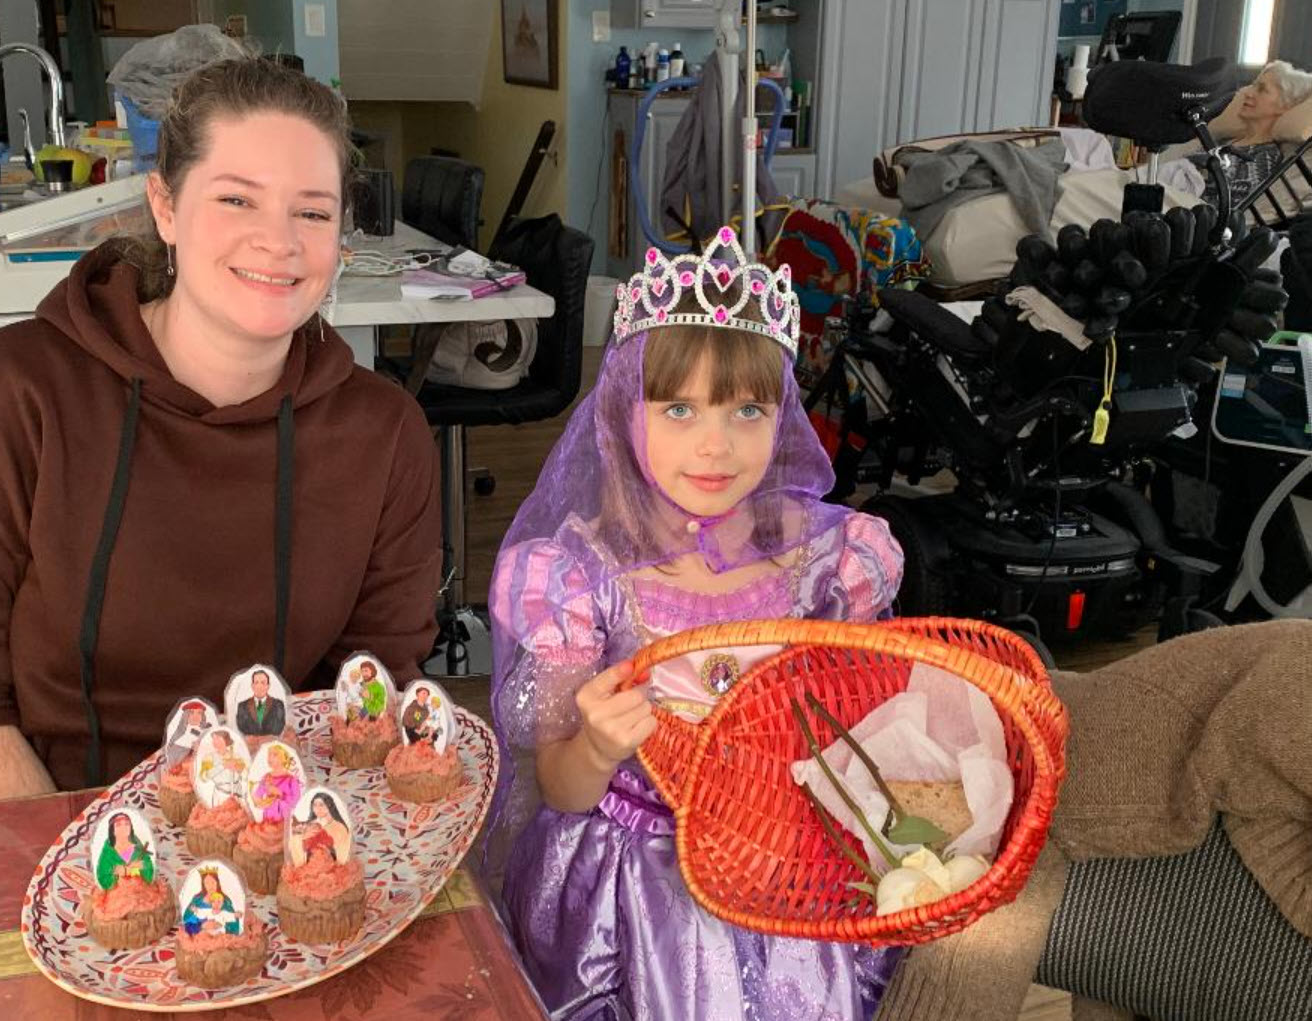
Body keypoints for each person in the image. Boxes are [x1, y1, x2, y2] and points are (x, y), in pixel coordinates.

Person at [486, 228, 905, 1020]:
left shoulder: (829, 559)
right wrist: (598, 746)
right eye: (678, 408)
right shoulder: (579, 579)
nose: (717, 444)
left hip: (788, 878)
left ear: (782, 414)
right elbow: (561, 787)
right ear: (623, 414)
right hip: (637, 894)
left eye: (748, 409)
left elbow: (864, 726)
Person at [0, 57, 443, 798]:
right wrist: (57, 836)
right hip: (56, 811)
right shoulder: (26, 386)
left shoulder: (385, 433)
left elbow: (372, 688)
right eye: (237, 199)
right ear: (165, 207)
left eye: (312, 212)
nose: (278, 241)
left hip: (280, 822)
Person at [1187, 60, 1312, 207]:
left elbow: (1228, 204)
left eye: (1262, 89)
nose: (1248, 93)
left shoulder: (1264, 156)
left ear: (1285, 105)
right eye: (1253, 86)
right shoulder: (1222, 142)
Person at [288, 791, 351, 866]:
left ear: (329, 806)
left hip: (331, 866)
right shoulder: (309, 825)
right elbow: (295, 843)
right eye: (315, 805)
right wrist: (301, 838)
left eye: (321, 805)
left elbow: (342, 853)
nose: (318, 808)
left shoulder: (339, 827)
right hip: (309, 866)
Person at [96, 812, 155, 890]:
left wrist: (138, 868)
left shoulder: (138, 847)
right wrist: (117, 874)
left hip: (140, 890)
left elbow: (149, 871)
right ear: (112, 830)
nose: (123, 827)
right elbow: (103, 877)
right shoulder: (108, 852)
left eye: (127, 824)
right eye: (118, 825)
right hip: (117, 893)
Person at [250, 743, 301, 822]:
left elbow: (296, 800)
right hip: (268, 818)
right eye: (269, 755)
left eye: (274, 755)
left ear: (282, 757)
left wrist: (280, 794)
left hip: (284, 819)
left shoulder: (291, 780)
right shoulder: (266, 777)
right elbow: (258, 795)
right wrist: (258, 801)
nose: (270, 758)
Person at [183, 868, 241, 936]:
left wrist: (221, 926)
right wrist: (202, 926)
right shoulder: (197, 899)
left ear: (217, 883)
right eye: (207, 883)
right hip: (200, 934)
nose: (210, 886)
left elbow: (233, 923)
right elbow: (186, 919)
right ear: (203, 884)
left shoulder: (225, 900)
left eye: (213, 882)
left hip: (220, 934)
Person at [197, 729, 246, 803]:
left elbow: (246, 774)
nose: (215, 741)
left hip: (237, 793)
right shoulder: (209, 758)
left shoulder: (236, 756)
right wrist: (223, 766)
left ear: (225, 739)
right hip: (221, 795)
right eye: (213, 739)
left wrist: (237, 768)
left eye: (218, 738)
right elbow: (203, 777)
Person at [235, 670, 287, 737]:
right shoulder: (242, 706)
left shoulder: (278, 704)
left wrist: (265, 738)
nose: (259, 686)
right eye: (256, 683)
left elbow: (279, 726)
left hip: (272, 741)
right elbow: (241, 726)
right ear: (252, 686)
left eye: (263, 683)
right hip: (250, 741)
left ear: (268, 686)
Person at [164, 700, 212, 767]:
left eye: (199, 713)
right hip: (181, 754)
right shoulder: (185, 730)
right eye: (191, 713)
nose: (196, 716)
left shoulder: (205, 729)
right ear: (186, 715)